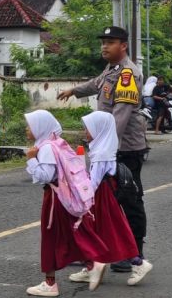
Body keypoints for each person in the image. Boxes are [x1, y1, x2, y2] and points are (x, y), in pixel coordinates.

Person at [58, 26, 150, 281]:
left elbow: (120, 115)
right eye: (103, 42)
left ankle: (134, 254)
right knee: (102, 202)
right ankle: (100, 256)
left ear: (124, 46)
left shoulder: (128, 74)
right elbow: (95, 84)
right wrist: (73, 91)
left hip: (125, 148)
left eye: (110, 42)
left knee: (129, 200)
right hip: (108, 147)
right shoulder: (111, 70)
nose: (104, 46)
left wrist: (105, 148)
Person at [23, 110, 111, 298]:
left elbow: (45, 176)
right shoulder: (58, 143)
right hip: (65, 197)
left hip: (55, 197)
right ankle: (89, 264)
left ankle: (52, 283)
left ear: (40, 127)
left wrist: (31, 160)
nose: (26, 129)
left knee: (50, 236)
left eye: (29, 126)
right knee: (68, 233)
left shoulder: (46, 148)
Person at [69, 112, 148, 286]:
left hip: (103, 198)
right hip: (103, 197)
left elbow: (94, 182)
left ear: (99, 129)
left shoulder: (101, 153)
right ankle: (91, 266)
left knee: (112, 233)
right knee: (97, 231)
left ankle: (139, 263)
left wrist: (78, 192)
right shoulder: (102, 147)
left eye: (88, 128)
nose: (85, 132)